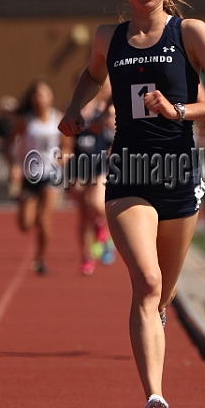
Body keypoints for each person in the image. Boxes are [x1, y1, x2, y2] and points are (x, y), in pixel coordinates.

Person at [58, 0, 205, 408]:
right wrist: (75, 110)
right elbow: (90, 75)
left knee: (165, 296)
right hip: (130, 174)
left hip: (179, 175)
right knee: (147, 281)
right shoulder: (107, 38)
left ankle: (156, 328)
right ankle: (155, 397)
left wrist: (180, 111)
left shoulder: (191, 33)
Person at [6, 78, 72, 274]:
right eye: (37, 94)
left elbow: (67, 146)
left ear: (51, 96)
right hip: (30, 174)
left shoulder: (58, 118)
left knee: (44, 219)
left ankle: (40, 259)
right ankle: (25, 204)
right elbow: (8, 144)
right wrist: (14, 165)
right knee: (26, 224)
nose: (41, 98)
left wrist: (64, 157)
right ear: (32, 98)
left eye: (44, 94)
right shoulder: (26, 121)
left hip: (52, 173)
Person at [69, 78, 116, 276]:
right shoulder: (72, 111)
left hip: (100, 166)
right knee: (84, 214)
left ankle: (101, 228)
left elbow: (117, 134)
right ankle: (86, 257)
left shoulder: (106, 110)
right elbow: (65, 140)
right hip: (79, 167)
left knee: (97, 204)